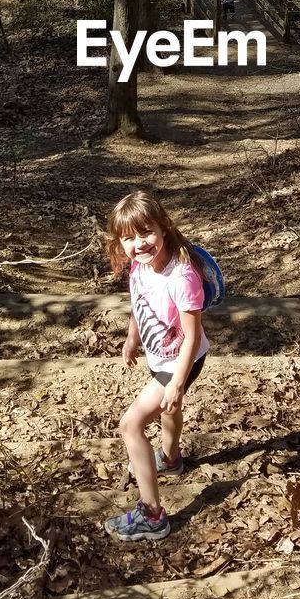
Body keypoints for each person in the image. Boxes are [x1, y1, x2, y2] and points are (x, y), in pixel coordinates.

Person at [104, 190, 210, 542]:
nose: (140, 243)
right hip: (162, 356)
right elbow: (140, 300)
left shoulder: (182, 277)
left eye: (146, 232)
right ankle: (171, 458)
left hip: (180, 360)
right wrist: (132, 336)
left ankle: (152, 515)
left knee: (130, 425)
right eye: (129, 237)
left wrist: (177, 383)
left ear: (163, 227)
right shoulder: (140, 264)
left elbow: (192, 336)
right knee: (167, 410)